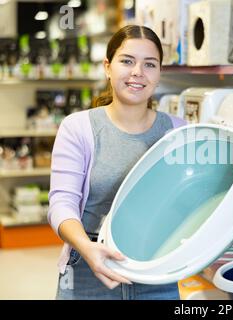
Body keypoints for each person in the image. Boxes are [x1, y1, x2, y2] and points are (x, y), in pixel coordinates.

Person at [48, 25, 186, 300]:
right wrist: (87, 249)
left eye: (150, 64)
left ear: (159, 74)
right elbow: (61, 204)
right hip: (88, 264)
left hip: (156, 267)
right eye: (127, 61)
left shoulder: (178, 132)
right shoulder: (79, 128)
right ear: (108, 67)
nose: (138, 72)